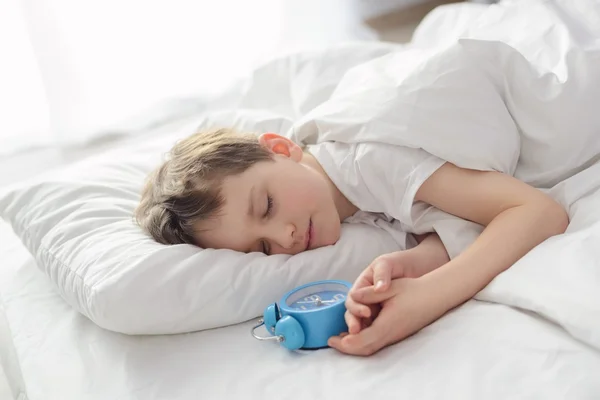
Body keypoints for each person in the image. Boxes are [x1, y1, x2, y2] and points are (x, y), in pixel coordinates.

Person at [135, 127, 568, 356]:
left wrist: (431, 296)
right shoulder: (335, 194)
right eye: (262, 249)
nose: (284, 238)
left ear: (281, 147)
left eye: (266, 206)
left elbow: (538, 212)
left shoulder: (367, 159)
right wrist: (417, 262)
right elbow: (452, 213)